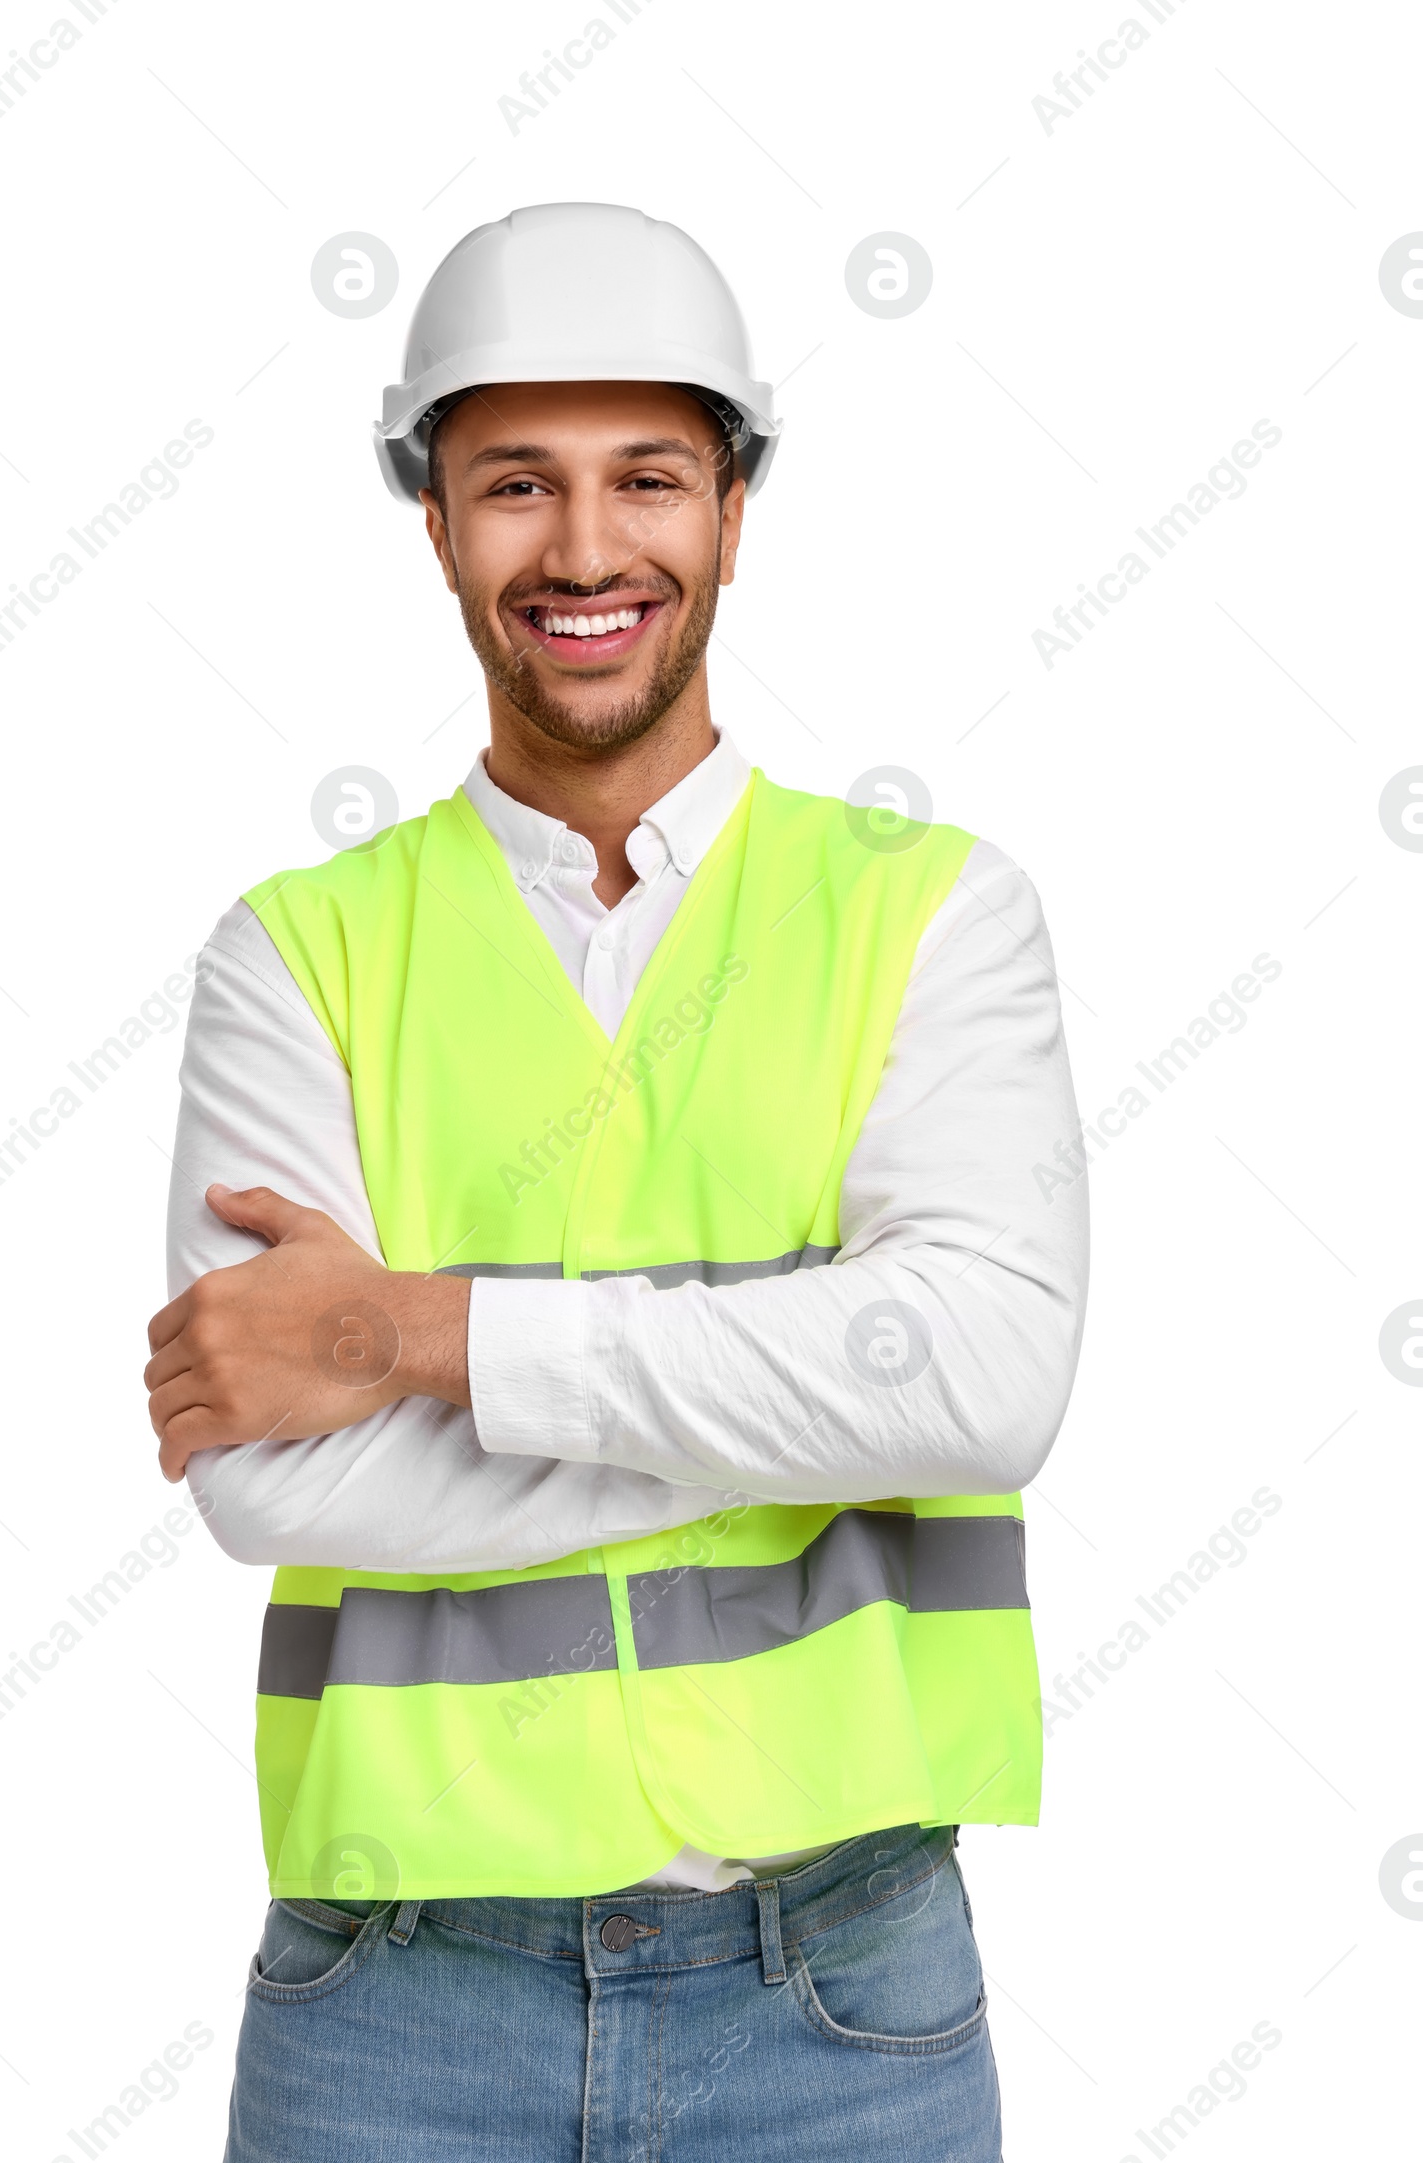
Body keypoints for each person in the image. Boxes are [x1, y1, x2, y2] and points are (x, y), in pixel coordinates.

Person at [145, 199, 1089, 2162]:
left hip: (838, 1995)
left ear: (730, 508)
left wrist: (410, 1333)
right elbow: (261, 1475)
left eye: (643, 477)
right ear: (433, 520)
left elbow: (980, 1380)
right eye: (514, 485)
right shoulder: (296, 953)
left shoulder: (928, 917)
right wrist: (810, 1398)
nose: (582, 552)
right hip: (394, 2006)